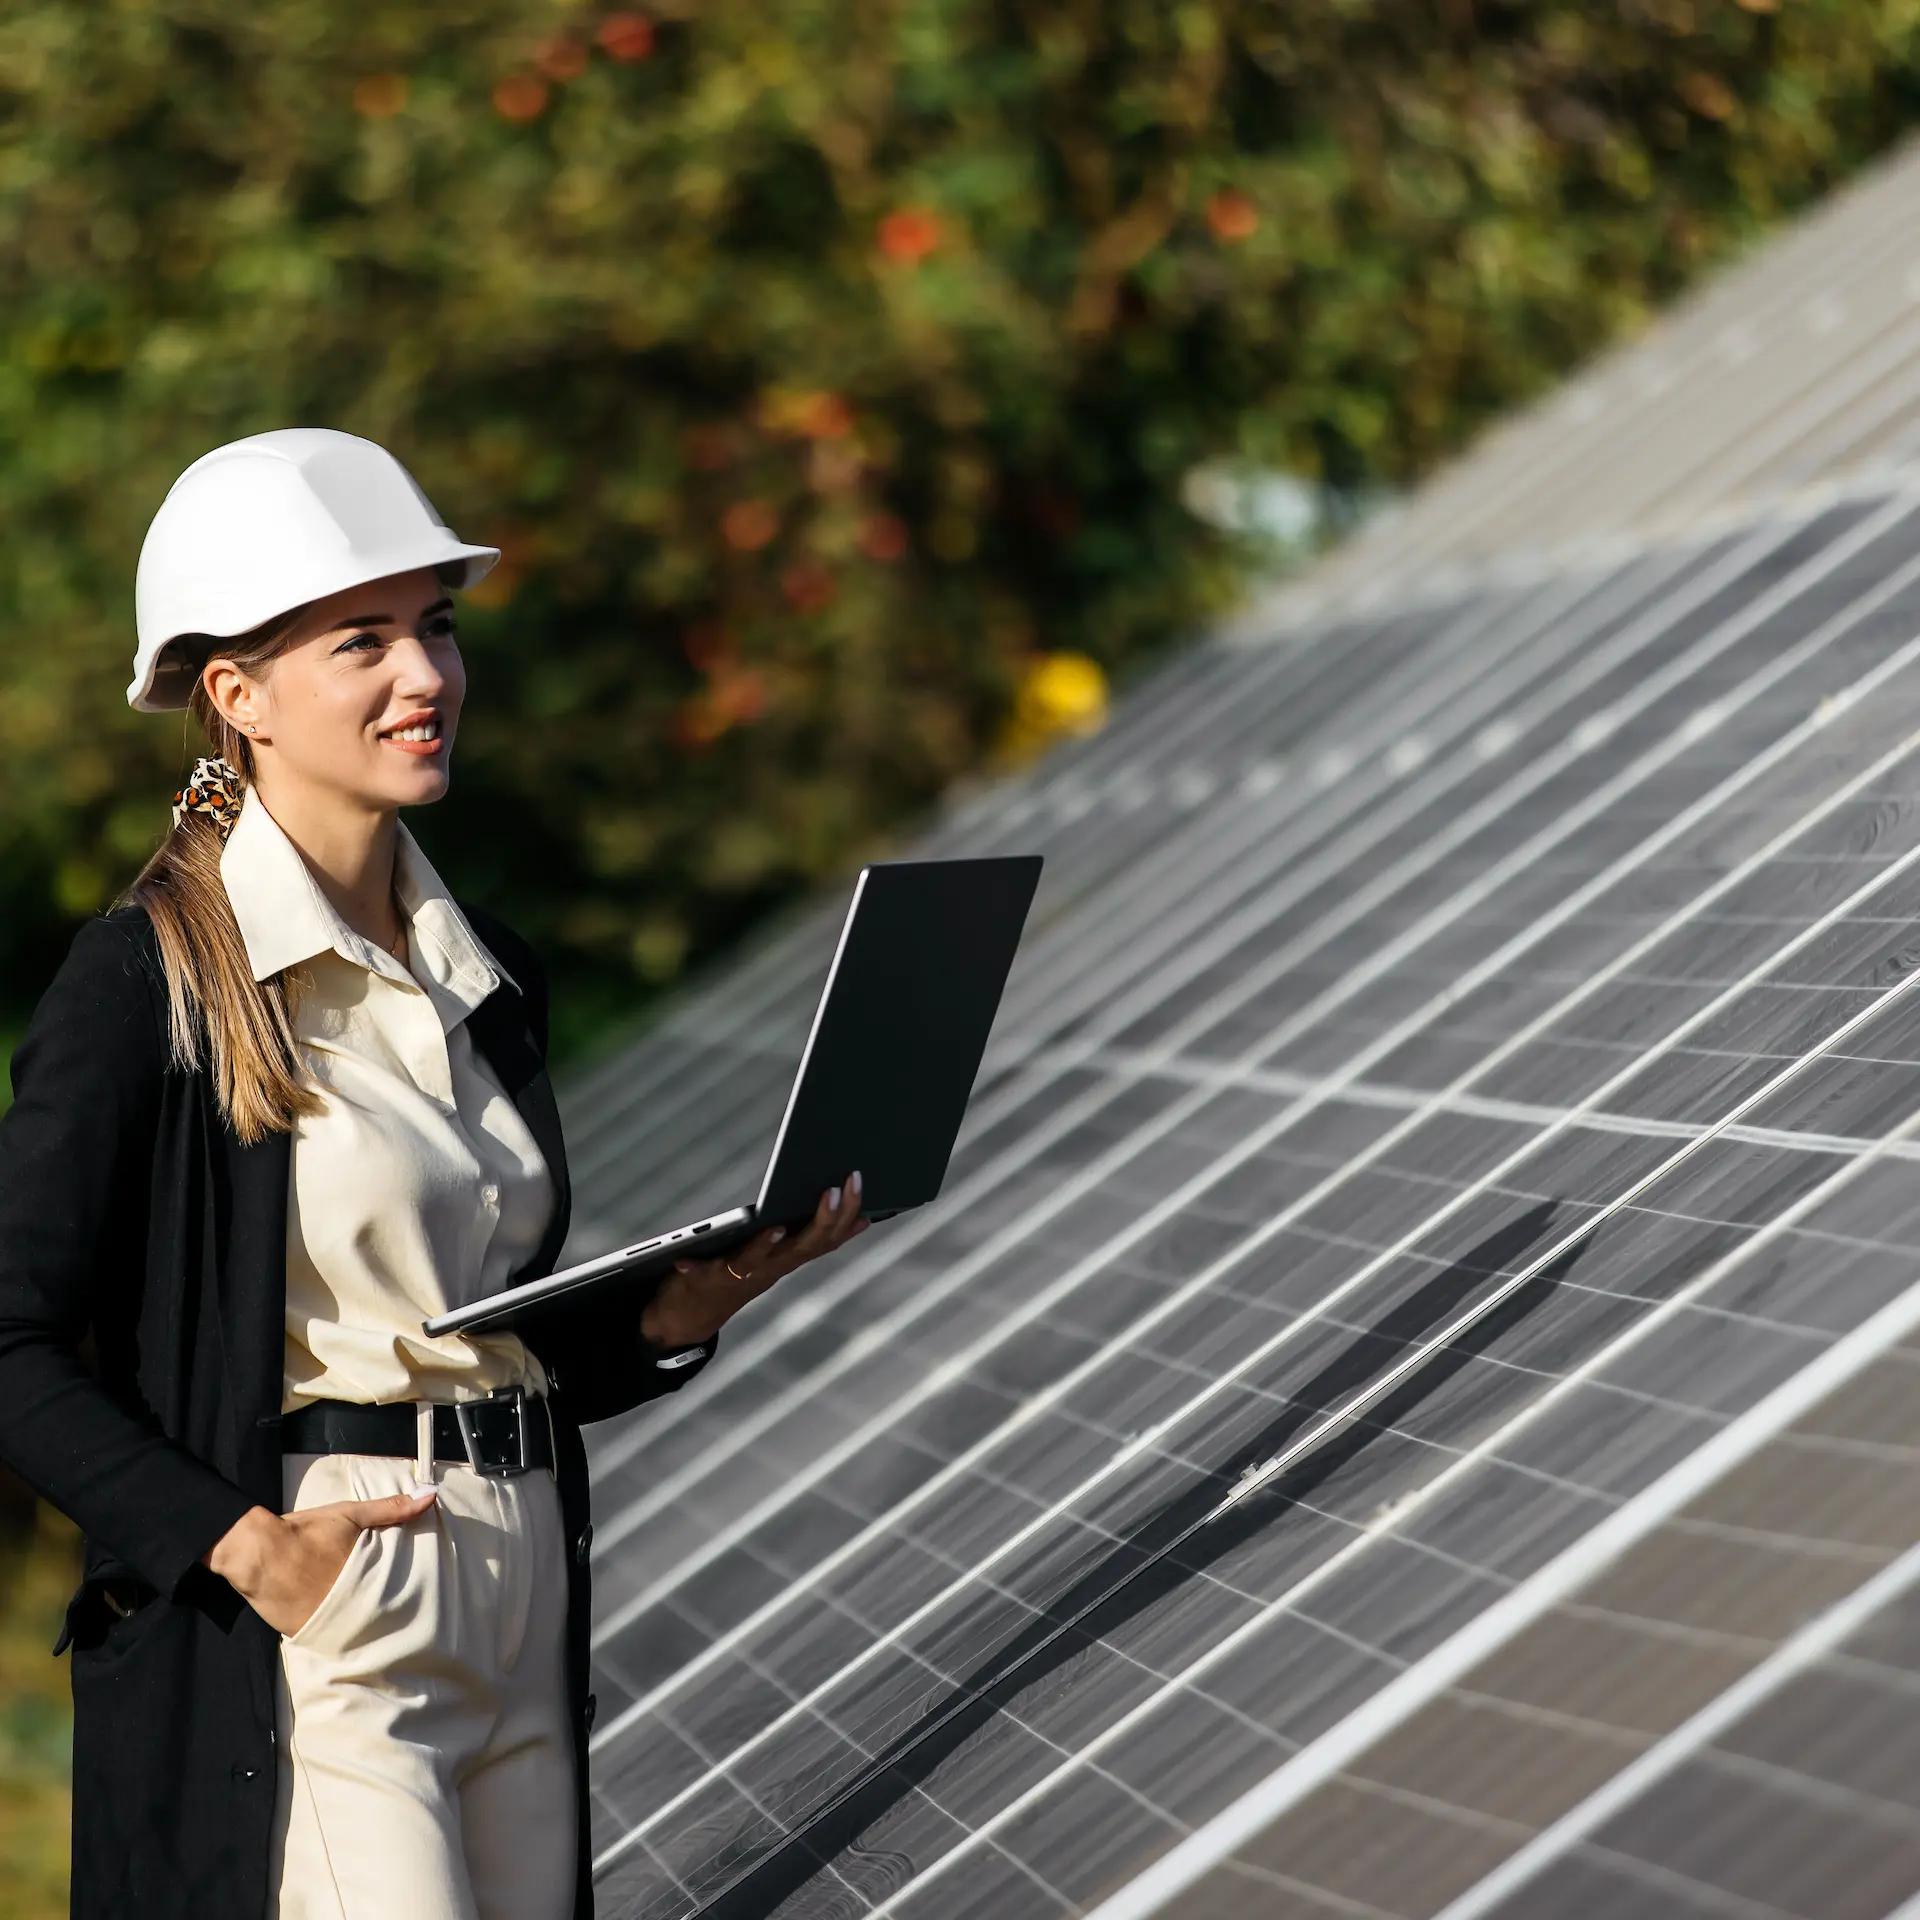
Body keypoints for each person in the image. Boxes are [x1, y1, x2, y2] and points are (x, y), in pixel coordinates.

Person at [0, 428, 866, 1920]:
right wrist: (249, 1552)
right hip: (332, 1598)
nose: (428, 677)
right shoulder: (144, 984)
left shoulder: (483, 967)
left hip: (522, 1579)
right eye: (363, 642)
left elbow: (477, 1332)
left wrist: (680, 1309)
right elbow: (10, 1344)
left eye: (438, 628)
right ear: (238, 695)